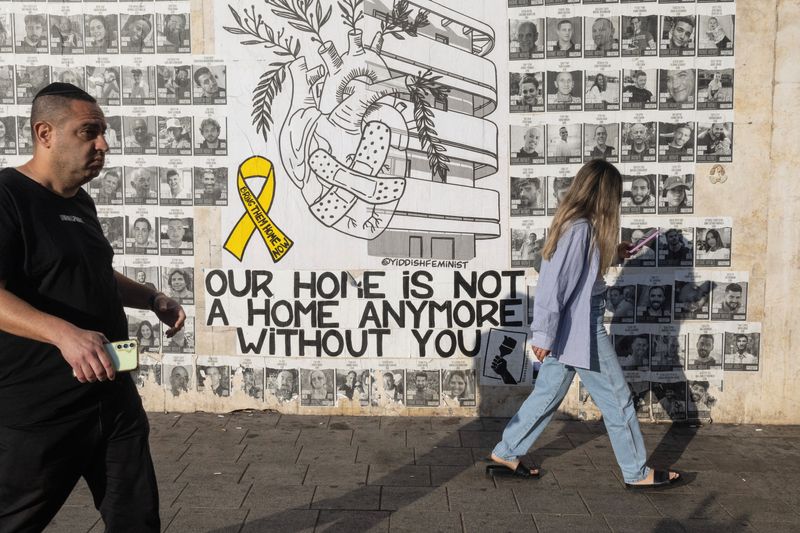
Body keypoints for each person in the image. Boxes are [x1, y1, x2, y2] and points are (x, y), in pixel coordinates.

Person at [0, 83, 187, 531]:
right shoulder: (7, 197)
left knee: (137, 519)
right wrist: (63, 333)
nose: (103, 144)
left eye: (103, 132)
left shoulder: (79, 202)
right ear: (46, 134)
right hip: (41, 410)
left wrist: (150, 297)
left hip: (112, 397)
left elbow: (92, 273)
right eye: (89, 132)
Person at [487, 159, 680, 487]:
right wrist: (544, 335)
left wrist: (615, 253)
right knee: (618, 397)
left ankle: (507, 451)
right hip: (582, 327)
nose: (619, 203)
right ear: (606, 196)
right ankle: (636, 471)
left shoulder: (579, 225)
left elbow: (581, 270)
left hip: (573, 325)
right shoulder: (580, 229)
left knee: (547, 392)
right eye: (616, 196)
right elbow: (554, 284)